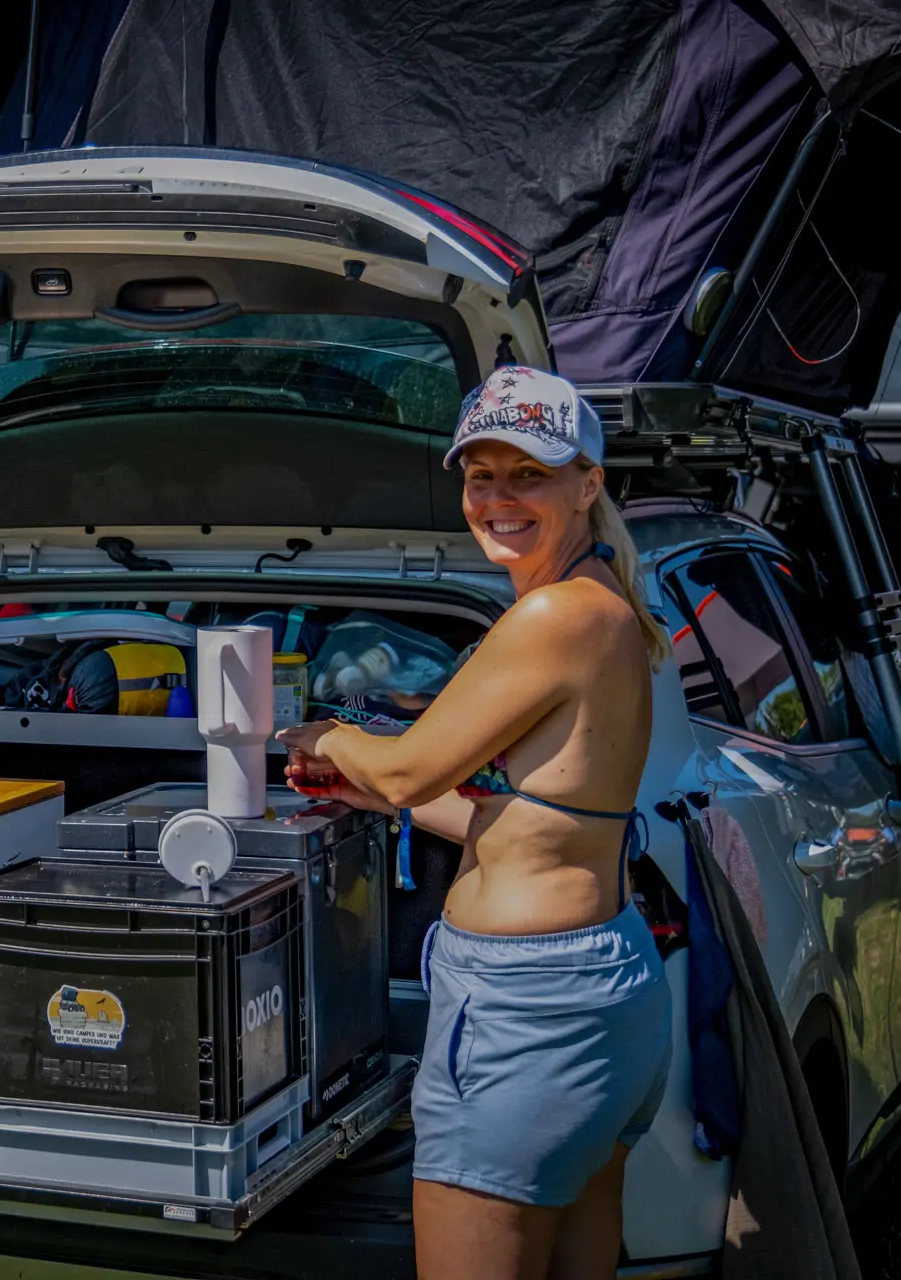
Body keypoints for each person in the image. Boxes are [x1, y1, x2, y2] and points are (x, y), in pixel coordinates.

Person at [277, 366, 673, 1280]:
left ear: (587, 483)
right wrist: (374, 793)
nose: (497, 498)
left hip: (524, 1009)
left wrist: (338, 737)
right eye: (479, 475)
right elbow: (533, 814)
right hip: (603, 982)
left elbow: (415, 759)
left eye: (526, 474)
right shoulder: (602, 599)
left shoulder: (553, 615)